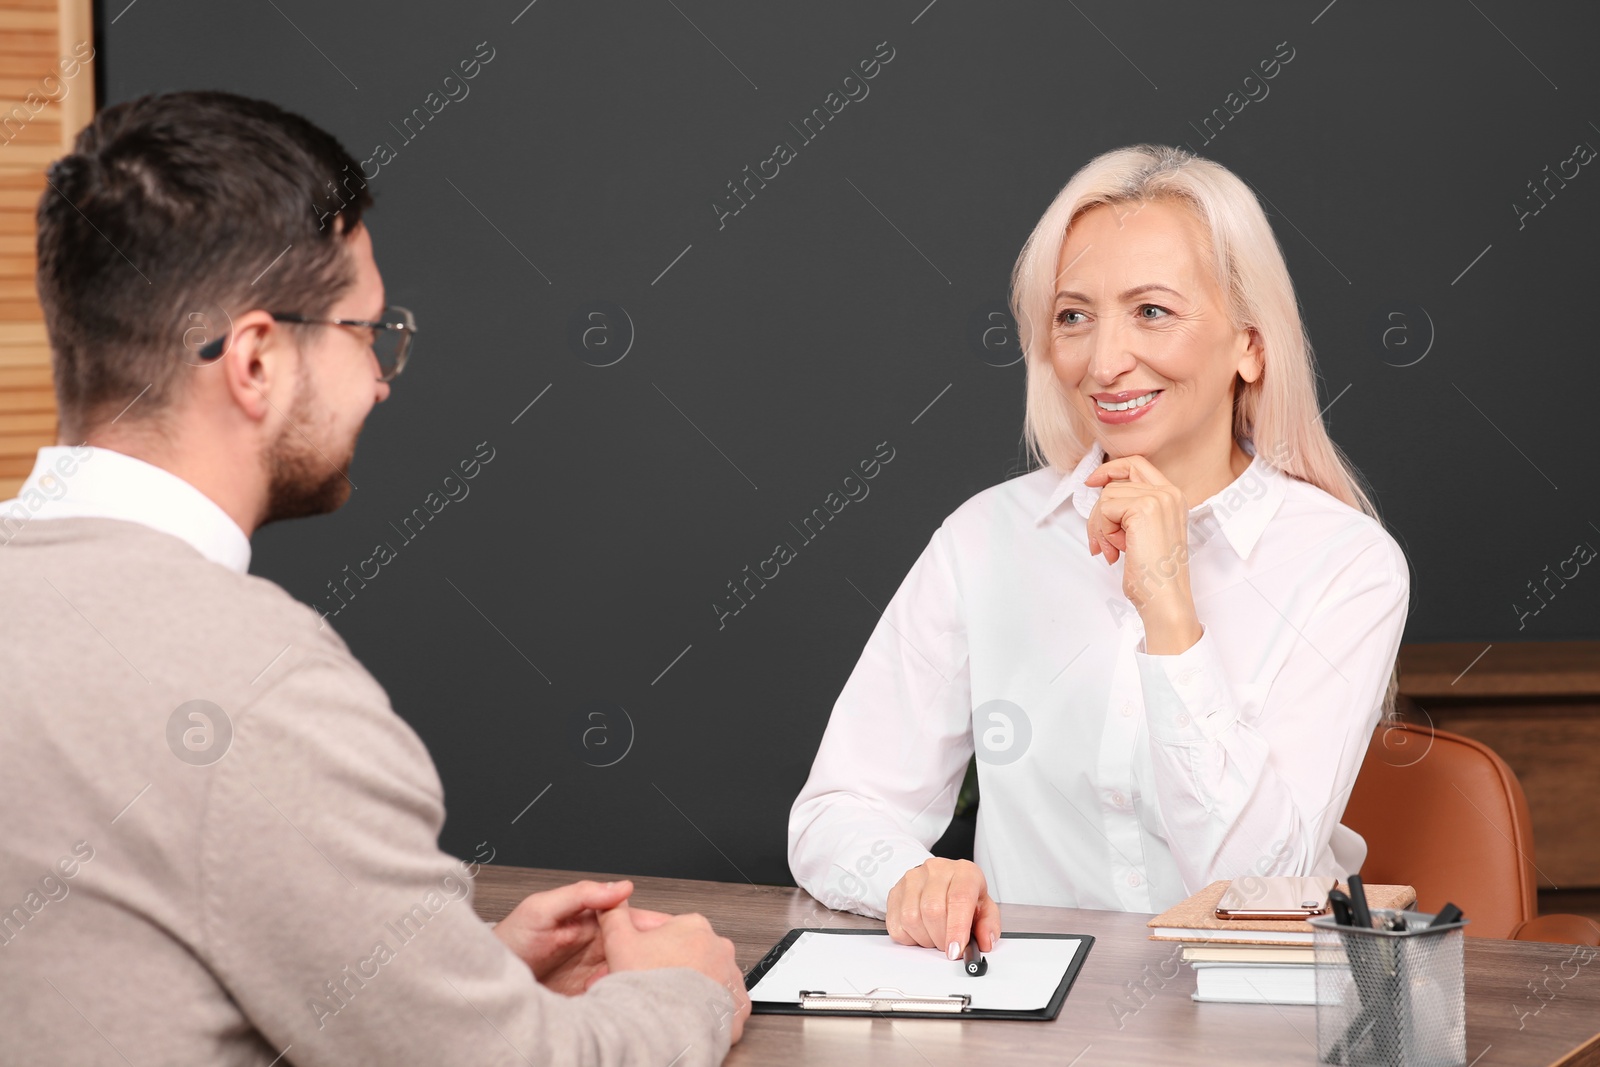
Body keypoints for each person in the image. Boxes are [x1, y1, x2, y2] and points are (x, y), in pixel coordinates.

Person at [0, 91, 747, 1066]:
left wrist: (445, 970)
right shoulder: (266, 694)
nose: (383, 379)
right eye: (365, 332)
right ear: (257, 360)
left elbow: (107, 977)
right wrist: (680, 991)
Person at [787, 143, 1410, 963]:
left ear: (1250, 345)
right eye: (1074, 316)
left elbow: (1257, 883)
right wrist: (911, 875)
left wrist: (1167, 604)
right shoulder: (986, 539)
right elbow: (839, 806)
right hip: (1025, 1022)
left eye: (1152, 311)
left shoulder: (1345, 563)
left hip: (1252, 1021)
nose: (1105, 360)